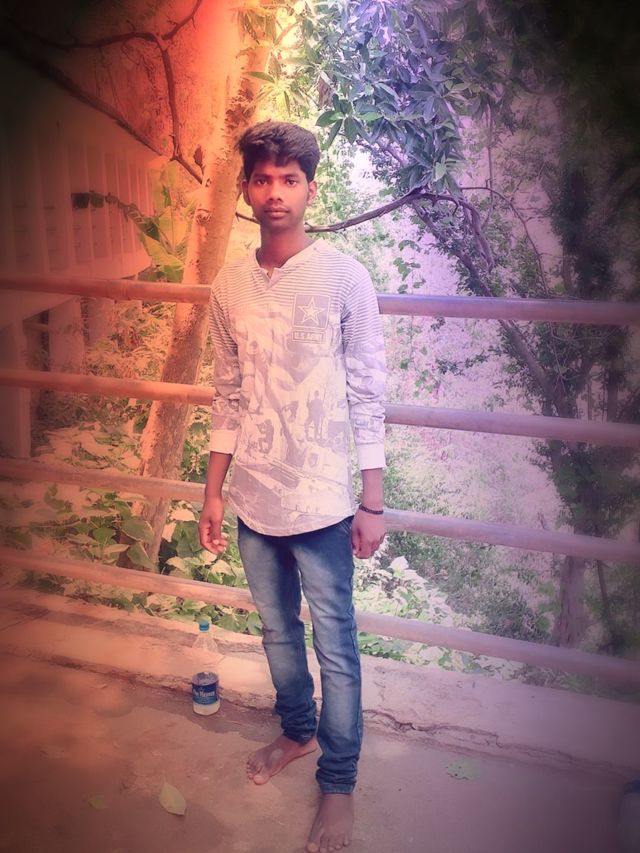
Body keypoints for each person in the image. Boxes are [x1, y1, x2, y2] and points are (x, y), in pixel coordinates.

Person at [198, 120, 386, 853]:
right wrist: (213, 491)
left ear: (310, 188)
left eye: (290, 179)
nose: (275, 192)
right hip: (254, 498)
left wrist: (372, 502)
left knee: (336, 645)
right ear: (246, 189)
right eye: (262, 178)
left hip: (323, 503)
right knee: (277, 630)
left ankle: (338, 782)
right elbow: (227, 393)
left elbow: (368, 392)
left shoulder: (344, 277)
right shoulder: (229, 284)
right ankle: (298, 732)